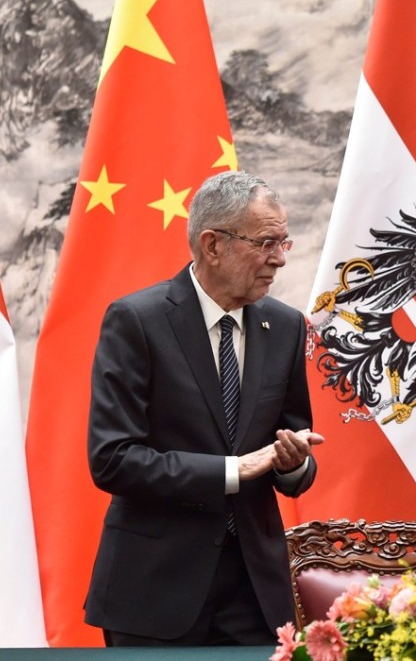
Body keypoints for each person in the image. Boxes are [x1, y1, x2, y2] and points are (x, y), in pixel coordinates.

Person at [84, 171, 324, 646]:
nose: (279, 258)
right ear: (212, 245)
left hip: (256, 596)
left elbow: (293, 446)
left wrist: (295, 465)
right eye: (266, 242)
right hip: (154, 593)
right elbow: (112, 459)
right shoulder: (137, 321)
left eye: (284, 242)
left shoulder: (288, 326)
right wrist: (232, 470)